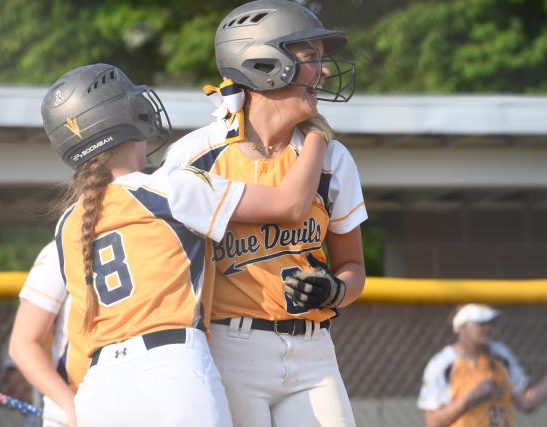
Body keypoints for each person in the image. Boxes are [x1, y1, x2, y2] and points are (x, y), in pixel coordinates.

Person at [40, 62, 331, 427]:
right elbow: (291, 204)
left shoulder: (69, 222)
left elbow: (80, 332)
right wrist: (318, 137)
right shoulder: (170, 185)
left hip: (98, 386)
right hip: (171, 370)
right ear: (128, 116)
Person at [162, 1, 366, 426]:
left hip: (314, 351)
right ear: (263, 63)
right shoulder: (195, 157)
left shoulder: (334, 157)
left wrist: (335, 291)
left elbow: (352, 268)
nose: (324, 72)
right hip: (229, 346)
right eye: (310, 59)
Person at [417, 304, 547, 427]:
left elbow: (527, 402)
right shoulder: (443, 364)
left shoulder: (501, 355)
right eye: (481, 323)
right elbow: (433, 422)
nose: (488, 328)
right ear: (461, 327)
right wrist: (471, 397)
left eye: (490, 323)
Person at [9, 241, 75, 427]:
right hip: (74, 403)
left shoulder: (153, 232)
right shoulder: (61, 249)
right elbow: (23, 343)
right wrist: (69, 405)